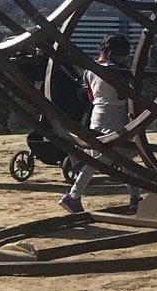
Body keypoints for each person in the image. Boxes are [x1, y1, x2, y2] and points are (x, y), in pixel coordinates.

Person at [61, 33, 143, 215]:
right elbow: (125, 94)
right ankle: (73, 196)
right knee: (106, 158)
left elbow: (88, 96)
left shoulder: (89, 70)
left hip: (96, 114)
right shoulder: (119, 71)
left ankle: (135, 198)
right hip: (116, 116)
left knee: (122, 158)